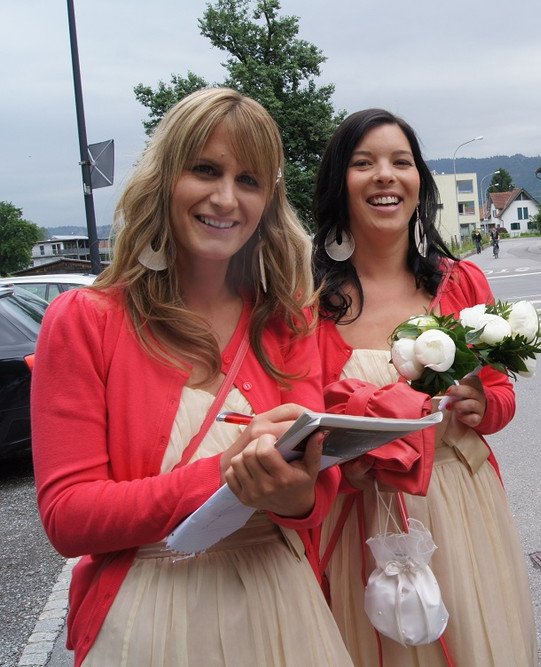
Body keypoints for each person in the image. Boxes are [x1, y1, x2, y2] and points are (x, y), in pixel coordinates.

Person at [31, 88, 352, 667]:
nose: (226, 198)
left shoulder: (286, 320)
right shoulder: (85, 320)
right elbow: (68, 517)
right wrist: (222, 476)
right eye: (205, 169)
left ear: (268, 201)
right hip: (150, 622)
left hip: (283, 614)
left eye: (249, 180)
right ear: (165, 177)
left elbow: (315, 498)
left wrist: (295, 491)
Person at [311, 108, 537, 666]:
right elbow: (298, 422)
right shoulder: (307, 302)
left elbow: (501, 395)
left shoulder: (461, 282)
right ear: (339, 182)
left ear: (419, 181)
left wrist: (483, 403)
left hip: (461, 507)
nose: (385, 175)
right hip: (359, 519)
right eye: (363, 163)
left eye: (401, 162)